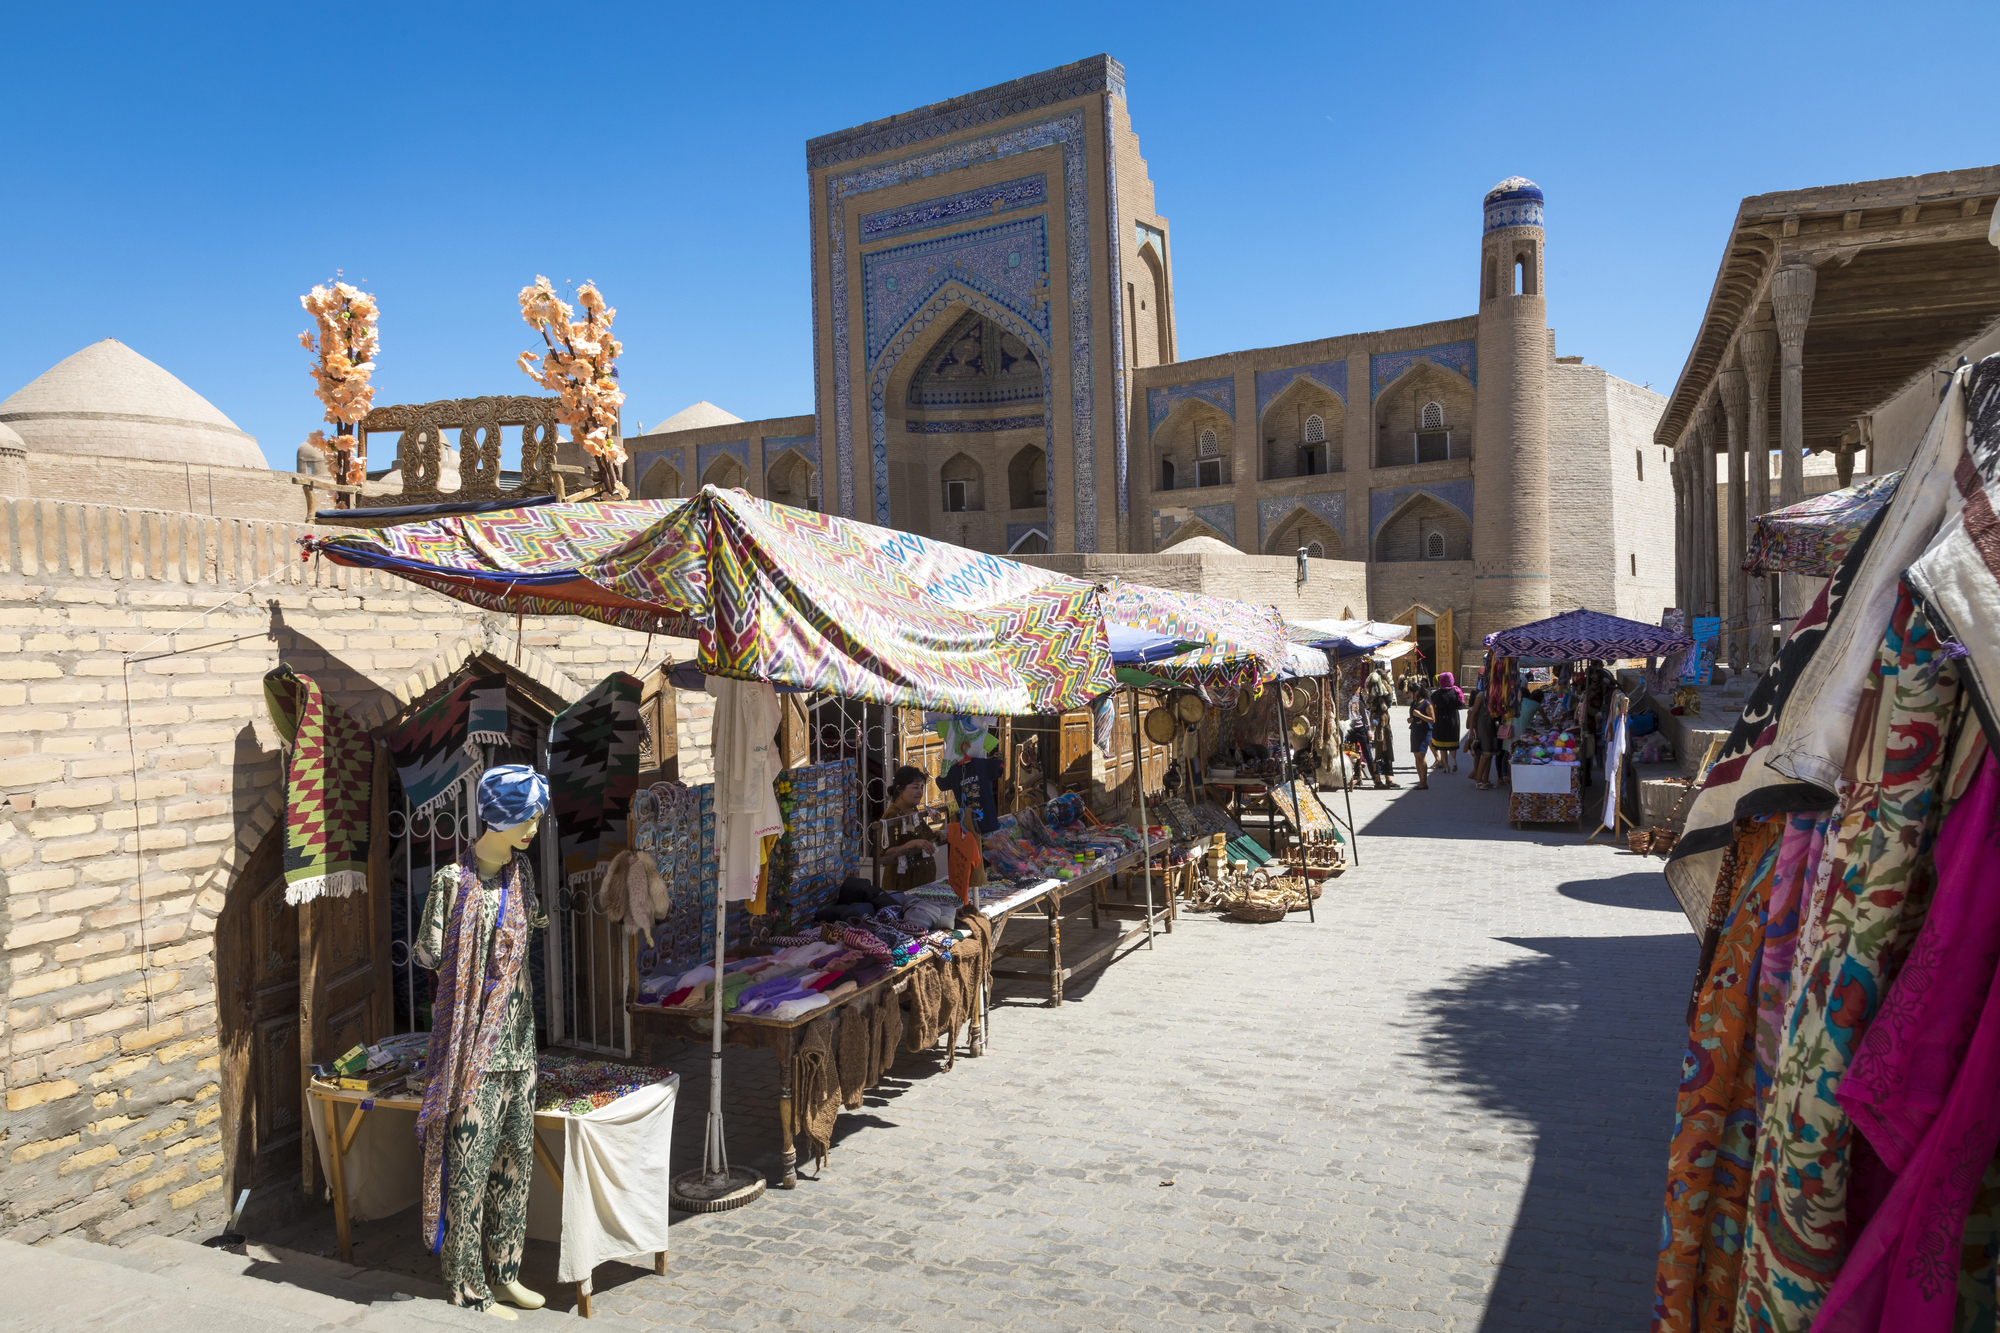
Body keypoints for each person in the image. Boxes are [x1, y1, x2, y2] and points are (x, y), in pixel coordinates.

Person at [878, 764, 944, 892]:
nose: (920, 792)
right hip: (902, 887)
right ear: (900, 789)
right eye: (915, 788)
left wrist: (936, 835)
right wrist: (911, 844)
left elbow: (921, 836)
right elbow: (884, 855)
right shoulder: (892, 816)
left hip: (922, 883)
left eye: (921, 787)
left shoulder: (913, 811)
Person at [1430, 672, 1465, 775]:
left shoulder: (1436, 694)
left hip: (1440, 720)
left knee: (1442, 744)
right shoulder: (1457, 692)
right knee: (1452, 741)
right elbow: (1461, 705)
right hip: (1453, 719)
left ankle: (1446, 766)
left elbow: (1432, 706)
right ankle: (1453, 760)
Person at [1407, 684, 1436, 790]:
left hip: (1424, 732)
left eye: (1410, 692)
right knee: (1416, 756)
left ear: (1416, 692)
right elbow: (1412, 717)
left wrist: (1420, 715)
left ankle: (1424, 783)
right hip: (1415, 730)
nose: (1409, 694)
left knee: (1421, 756)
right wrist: (1410, 719)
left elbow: (1432, 720)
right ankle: (1420, 781)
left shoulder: (1426, 704)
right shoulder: (1413, 704)